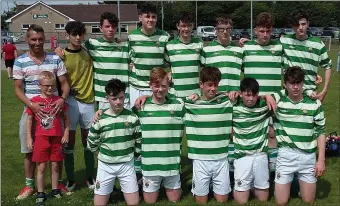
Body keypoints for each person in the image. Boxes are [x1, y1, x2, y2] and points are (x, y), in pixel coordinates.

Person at [13, 24, 70, 200]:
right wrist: (32, 105)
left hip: (54, 111)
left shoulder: (55, 59)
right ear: (27, 40)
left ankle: (57, 183)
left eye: (40, 39)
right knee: (29, 149)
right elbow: (17, 89)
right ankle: (30, 186)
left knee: (57, 149)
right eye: (33, 39)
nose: (37, 43)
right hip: (31, 111)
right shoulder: (20, 61)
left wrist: (62, 98)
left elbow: (65, 84)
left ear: (44, 39)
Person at [272, 66, 326, 205]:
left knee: (308, 201)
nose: (295, 87)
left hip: (307, 156)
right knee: (281, 202)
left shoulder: (314, 103)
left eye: (298, 83)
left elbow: (320, 131)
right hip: (286, 155)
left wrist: (321, 161)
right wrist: (267, 96)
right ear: (285, 84)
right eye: (291, 83)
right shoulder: (278, 102)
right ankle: (290, 182)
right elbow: (255, 100)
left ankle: (296, 183)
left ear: (303, 83)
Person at [55, 12, 130, 110]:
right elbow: (74, 47)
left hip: (123, 97)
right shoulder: (91, 44)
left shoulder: (124, 46)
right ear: (100, 28)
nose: (111, 29)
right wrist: (58, 49)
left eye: (114, 26)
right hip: (103, 98)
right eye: (107, 26)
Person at [132, 68, 185, 204]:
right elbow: (121, 115)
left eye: (163, 86)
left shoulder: (178, 105)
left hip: (171, 165)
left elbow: (199, 103)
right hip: (150, 166)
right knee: (150, 202)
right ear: (150, 85)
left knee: (175, 200)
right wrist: (101, 112)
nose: (160, 89)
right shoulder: (140, 107)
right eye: (156, 86)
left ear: (168, 86)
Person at [87, 79, 140, 206]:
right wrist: (100, 154)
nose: (118, 102)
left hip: (126, 165)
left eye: (121, 98)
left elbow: (139, 140)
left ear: (125, 96)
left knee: (134, 203)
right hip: (106, 166)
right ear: (107, 98)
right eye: (114, 98)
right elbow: (91, 142)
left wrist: (134, 156)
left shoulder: (132, 118)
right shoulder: (100, 119)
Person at [185, 66, 232, 204]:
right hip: (200, 159)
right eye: (209, 85)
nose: (213, 88)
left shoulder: (226, 101)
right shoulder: (191, 103)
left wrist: (265, 96)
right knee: (201, 201)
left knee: (222, 200)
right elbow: (167, 100)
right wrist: (146, 96)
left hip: (221, 157)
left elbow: (249, 96)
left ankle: (213, 184)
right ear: (201, 84)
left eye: (216, 85)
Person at [61, 21, 96, 191]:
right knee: (69, 141)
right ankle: (71, 179)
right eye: (74, 34)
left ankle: (91, 177)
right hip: (70, 102)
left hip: (88, 100)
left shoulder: (88, 52)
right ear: (67, 35)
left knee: (88, 140)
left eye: (80, 34)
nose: (77, 37)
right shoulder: (60, 56)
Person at [26, 71, 69, 205]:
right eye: (46, 86)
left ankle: (55, 190)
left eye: (52, 85)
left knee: (55, 165)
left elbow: (66, 118)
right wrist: (29, 138)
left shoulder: (58, 101)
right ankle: (40, 192)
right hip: (41, 138)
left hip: (56, 138)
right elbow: (29, 120)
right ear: (40, 86)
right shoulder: (35, 101)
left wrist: (66, 132)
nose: (50, 88)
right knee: (41, 167)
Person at [232, 77, 271, 204]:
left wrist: (267, 96)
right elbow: (217, 96)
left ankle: (252, 184)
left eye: (254, 95)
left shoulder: (264, 106)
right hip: (242, 157)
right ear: (241, 93)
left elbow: (284, 95)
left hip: (261, 156)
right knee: (241, 201)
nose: (251, 99)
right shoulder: (233, 107)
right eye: (247, 95)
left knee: (263, 199)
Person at [281, 9, 332, 102]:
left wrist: (324, 91)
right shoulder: (284, 41)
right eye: (297, 24)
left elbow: (328, 66)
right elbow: (266, 45)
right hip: (289, 94)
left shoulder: (318, 44)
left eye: (303, 24)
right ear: (292, 26)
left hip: (310, 95)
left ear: (308, 24)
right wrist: (247, 43)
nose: (300, 27)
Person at [128, 2, 170, 105]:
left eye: (153, 17)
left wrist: (170, 72)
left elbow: (170, 61)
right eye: (147, 16)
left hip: (157, 87)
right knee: (136, 119)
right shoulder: (132, 37)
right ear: (140, 18)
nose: (150, 20)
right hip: (136, 86)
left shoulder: (165, 37)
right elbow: (128, 58)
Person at [200, 16, 243, 93]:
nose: (225, 32)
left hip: (234, 96)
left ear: (231, 30)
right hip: (214, 95)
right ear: (216, 30)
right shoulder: (206, 50)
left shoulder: (240, 50)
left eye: (228, 29)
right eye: (221, 29)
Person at [165, 12, 203, 98]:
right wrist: (167, 73)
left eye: (189, 25)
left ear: (193, 26)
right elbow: (162, 65)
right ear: (178, 26)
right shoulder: (170, 45)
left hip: (195, 94)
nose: (186, 29)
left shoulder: (199, 43)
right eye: (183, 26)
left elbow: (205, 66)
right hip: (175, 95)